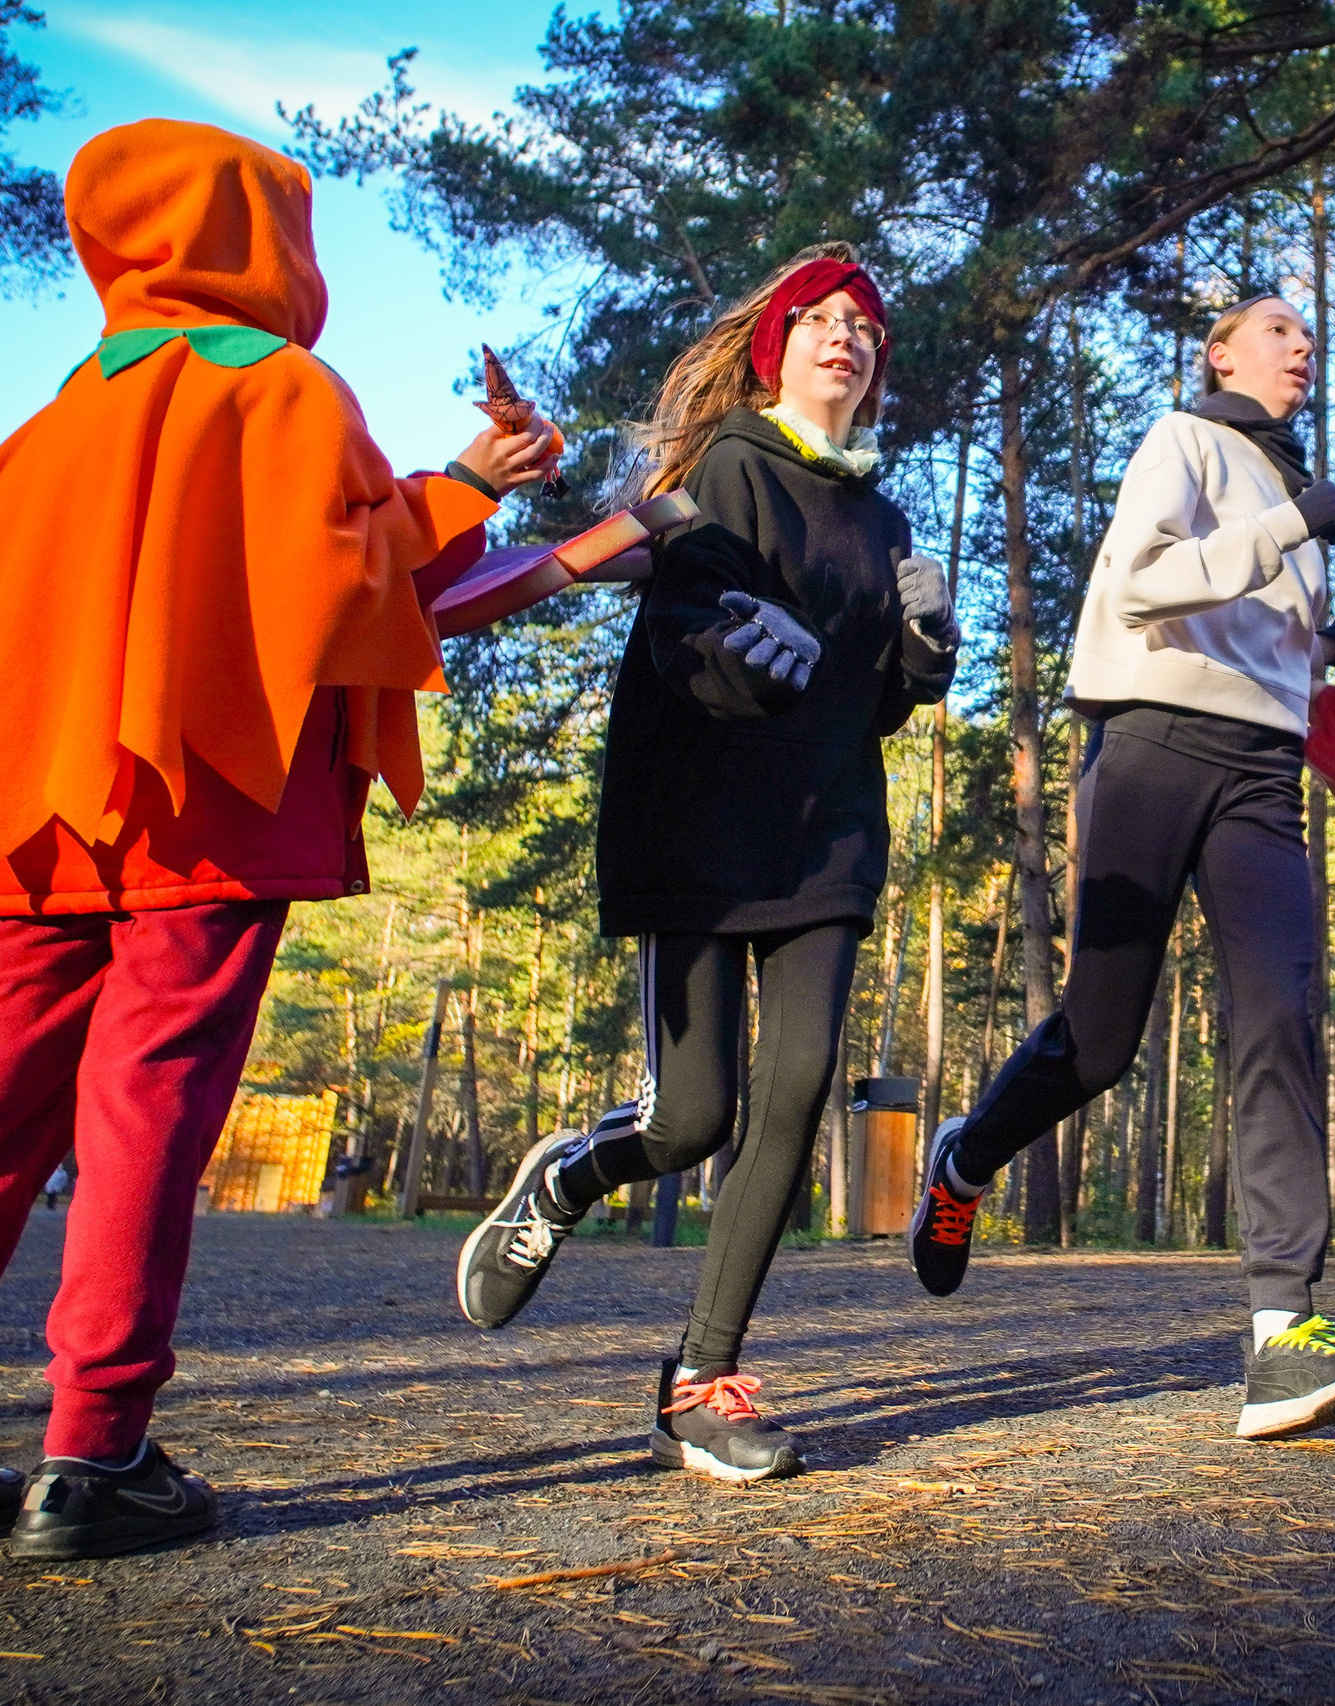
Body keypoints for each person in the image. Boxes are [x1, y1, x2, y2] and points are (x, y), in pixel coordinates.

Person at [0, 119, 551, 1560]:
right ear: (266, 243)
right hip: (213, 797)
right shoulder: (285, 388)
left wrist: (468, 473)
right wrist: (475, 490)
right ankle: (95, 1452)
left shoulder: (62, 416)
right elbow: (346, 583)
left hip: (47, 802)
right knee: (147, 1107)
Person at [454, 243, 958, 1482]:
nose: (845, 334)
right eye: (819, 317)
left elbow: (872, 701)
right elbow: (686, 627)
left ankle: (701, 1380)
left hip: (828, 831)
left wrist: (924, 650)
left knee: (796, 1088)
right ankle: (566, 1176)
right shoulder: (728, 465)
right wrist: (737, 645)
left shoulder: (885, 517)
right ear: (774, 350)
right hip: (708, 823)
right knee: (692, 1117)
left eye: (863, 324)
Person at [901, 296, 1335, 1442]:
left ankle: (1283, 1330)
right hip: (1152, 739)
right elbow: (1140, 584)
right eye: (1276, 329)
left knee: (1280, 1015)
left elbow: (1255, 645)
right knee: (1101, 1039)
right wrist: (1291, 526)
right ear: (1221, 354)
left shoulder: (1289, 485)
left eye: (1307, 335)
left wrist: (1332, 644)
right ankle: (965, 1160)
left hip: (1263, 772)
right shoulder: (1185, 438)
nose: (1301, 345)